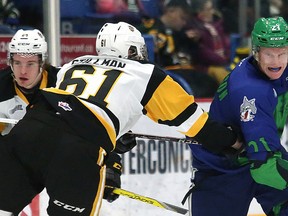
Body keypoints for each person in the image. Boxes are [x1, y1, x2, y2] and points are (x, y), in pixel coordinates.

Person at [0, 28, 124, 213]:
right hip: (18, 161)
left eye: (31, 63)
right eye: (17, 63)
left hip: (60, 160)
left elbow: (93, 126)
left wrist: (112, 164)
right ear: (9, 62)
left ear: (42, 62)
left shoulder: (65, 83)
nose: (22, 71)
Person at [185, 16, 288, 216]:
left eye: (282, 54)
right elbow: (264, 166)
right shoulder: (251, 90)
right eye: (269, 54)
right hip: (223, 169)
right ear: (256, 52)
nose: (276, 62)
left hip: (263, 152)